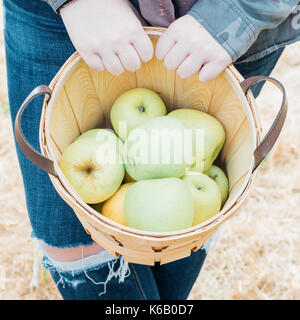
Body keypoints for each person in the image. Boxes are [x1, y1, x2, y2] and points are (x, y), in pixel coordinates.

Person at [3, 0, 300, 300]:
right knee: (67, 231)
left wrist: (237, 11)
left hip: (221, 22)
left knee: (187, 230)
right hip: (67, 13)